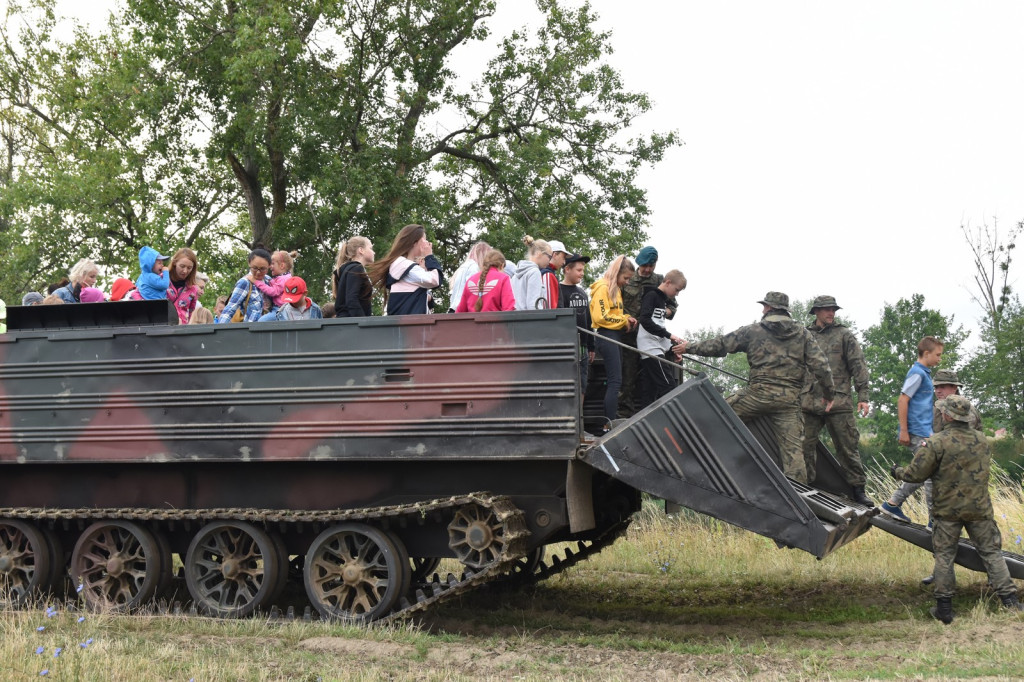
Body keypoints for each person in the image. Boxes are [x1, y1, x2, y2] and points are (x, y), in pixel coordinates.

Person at [891, 395, 1023, 623]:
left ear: (946, 415)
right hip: (979, 509)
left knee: (944, 556)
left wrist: (897, 471)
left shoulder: (936, 442)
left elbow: (916, 474)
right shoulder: (982, 440)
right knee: (992, 553)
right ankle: (1011, 603)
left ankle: (944, 609)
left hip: (947, 510)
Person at [678, 292, 835, 484]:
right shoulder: (803, 334)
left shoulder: (753, 330)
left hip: (757, 396)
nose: (762, 310)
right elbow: (822, 367)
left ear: (769, 308)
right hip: (789, 401)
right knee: (794, 454)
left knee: (717, 415)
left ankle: (685, 451)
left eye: (764, 306)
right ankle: (799, 500)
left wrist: (689, 347)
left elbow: (720, 345)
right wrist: (829, 394)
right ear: (786, 310)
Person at [800, 295, 873, 506]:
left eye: (833, 309)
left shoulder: (844, 335)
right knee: (804, 447)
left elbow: (858, 365)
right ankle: (806, 488)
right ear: (816, 312)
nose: (831, 313)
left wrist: (863, 396)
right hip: (809, 401)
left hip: (839, 401)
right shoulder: (805, 335)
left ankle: (858, 489)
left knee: (847, 447)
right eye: (826, 309)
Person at [920, 369, 984, 585]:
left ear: (954, 388)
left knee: (979, 532)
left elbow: (964, 444)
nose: (938, 390)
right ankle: (942, 574)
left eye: (943, 386)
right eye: (936, 386)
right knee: (937, 528)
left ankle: (994, 576)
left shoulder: (967, 411)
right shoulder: (937, 409)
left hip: (964, 481)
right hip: (940, 478)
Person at [879, 336, 944, 522]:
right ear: (926, 353)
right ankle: (934, 521)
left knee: (922, 472)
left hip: (925, 431)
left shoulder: (925, 373)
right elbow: (903, 400)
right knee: (931, 473)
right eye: (937, 355)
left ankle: (892, 504)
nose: (939, 359)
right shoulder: (917, 373)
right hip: (917, 432)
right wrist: (904, 430)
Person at [619, 246, 678, 419]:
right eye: (644, 265)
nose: (647, 269)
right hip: (629, 337)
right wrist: (626, 318)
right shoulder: (628, 278)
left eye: (651, 266)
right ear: (639, 264)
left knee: (652, 380)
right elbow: (616, 304)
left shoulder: (660, 280)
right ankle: (624, 417)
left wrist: (666, 312)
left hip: (653, 338)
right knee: (627, 379)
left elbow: (672, 305)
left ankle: (652, 415)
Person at [589, 255, 638, 429]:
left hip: (615, 336)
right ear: (617, 273)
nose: (627, 282)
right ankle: (608, 425)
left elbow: (615, 314)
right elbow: (601, 317)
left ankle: (608, 422)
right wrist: (623, 322)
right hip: (606, 335)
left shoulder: (615, 289)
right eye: (626, 278)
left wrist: (627, 318)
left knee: (616, 380)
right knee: (614, 381)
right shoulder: (603, 288)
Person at [637, 270, 687, 409]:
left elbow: (658, 327)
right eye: (677, 290)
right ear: (668, 282)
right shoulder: (651, 296)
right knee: (669, 386)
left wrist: (672, 349)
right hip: (649, 348)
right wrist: (669, 335)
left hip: (656, 346)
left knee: (650, 391)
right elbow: (645, 320)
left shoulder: (662, 300)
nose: (676, 294)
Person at [368, 224, 444, 316]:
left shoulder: (402, 265)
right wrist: (429, 257)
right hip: (409, 326)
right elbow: (435, 280)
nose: (427, 242)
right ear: (414, 242)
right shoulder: (405, 266)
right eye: (424, 239)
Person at [559, 253, 595, 393]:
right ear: (567, 269)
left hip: (583, 347)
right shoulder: (558, 290)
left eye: (583, 270)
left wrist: (591, 346)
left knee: (582, 384)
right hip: (567, 346)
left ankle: (581, 415)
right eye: (579, 270)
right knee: (568, 383)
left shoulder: (582, 292)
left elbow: (588, 319)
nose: (582, 274)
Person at [216, 247, 273, 323]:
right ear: (249, 263)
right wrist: (220, 330)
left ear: (269, 266)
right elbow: (230, 308)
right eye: (255, 268)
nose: (258, 272)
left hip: (270, 330)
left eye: (263, 269)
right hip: (251, 331)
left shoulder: (268, 280)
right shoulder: (245, 282)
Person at [332, 236, 375, 317]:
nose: (374, 252)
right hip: (352, 324)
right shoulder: (356, 268)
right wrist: (363, 322)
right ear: (361, 250)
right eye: (371, 248)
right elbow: (351, 300)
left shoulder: (351, 269)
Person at [512, 238, 558, 311]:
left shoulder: (515, 274)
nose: (549, 261)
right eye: (549, 257)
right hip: (530, 320)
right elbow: (533, 305)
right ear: (538, 253)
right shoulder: (534, 272)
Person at [447, 241, 490, 313]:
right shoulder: (474, 267)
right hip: (463, 311)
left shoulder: (463, 267)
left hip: (454, 310)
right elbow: (473, 291)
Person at [254, 250, 297, 321]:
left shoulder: (284, 279)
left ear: (282, 266)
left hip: (281, 310)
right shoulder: (283, 277)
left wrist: (257, 282)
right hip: (280, 309)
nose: (270, 266)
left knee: (261, 321)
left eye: (273, 264)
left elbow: (273, 291)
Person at [166, 247, 200, 324]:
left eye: (189, 268)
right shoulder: (161, 280)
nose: (185, 271)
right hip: (163, 327)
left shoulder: (193, 289)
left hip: (182, 330)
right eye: (182, 266)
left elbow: (191, 314)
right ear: (174, 263)